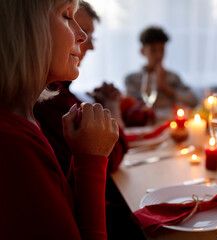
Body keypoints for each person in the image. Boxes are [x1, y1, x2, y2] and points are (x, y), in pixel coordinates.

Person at [0, 0, 119, 239]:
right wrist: (90, 162)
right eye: (66, 16)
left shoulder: (28, 122)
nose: (82, 36)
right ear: (25, 30)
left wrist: (83, 157)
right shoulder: (11, 144)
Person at [33, 2, 146, 239]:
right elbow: (112, 153)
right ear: (32, 30)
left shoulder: (58, 93)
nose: (86, 40)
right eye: (66, 17)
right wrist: (113, 108)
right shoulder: (46, 102)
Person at [125, 26, 198, 110]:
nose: (158, 55)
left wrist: (165, 87)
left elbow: (194, 101)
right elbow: (131, 107)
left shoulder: (173, 77)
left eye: (162, 50)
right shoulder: (132, 79)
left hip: (171, 121)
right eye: (153, 50)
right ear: (142, 51)